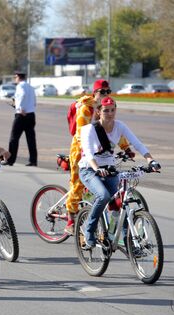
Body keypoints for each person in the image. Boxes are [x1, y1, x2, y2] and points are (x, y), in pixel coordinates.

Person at [78, 97, 160, 249]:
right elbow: (88, 154)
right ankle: (88, 232)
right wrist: (97, 168)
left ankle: (128, 242)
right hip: (89, 169)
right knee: (104, 195)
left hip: (109, 169)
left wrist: (151, 161)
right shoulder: (89, 130)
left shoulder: (120, 126)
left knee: (121, 203)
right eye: (106, 110)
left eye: (112, 110)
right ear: (98, 112)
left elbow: (137, 143)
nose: (110, 114)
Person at [64, 79, 132, 234]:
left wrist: (126, 147)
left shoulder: (106, 109)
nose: (105, 94)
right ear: (94, 93)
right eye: (102, 92)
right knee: (78, 183)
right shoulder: (86, 108)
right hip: (81, 149)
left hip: (102, 151)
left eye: (108, 91)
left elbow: (112, 129)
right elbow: (82, 133)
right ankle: (70, 220)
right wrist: (91, 151)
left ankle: (112, 217)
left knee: (109, 181)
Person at [5, 71, 37, 166]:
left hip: (21, 115)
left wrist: (19, 107)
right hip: (31, 114)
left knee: (14, 138)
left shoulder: (20, 86)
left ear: (18, 77)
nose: (15, 78)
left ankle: (10, 160)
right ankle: (33, 160)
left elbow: (22, 95)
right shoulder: (31, 87)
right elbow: (34, 101)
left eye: (15, 77)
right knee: (31, 139)